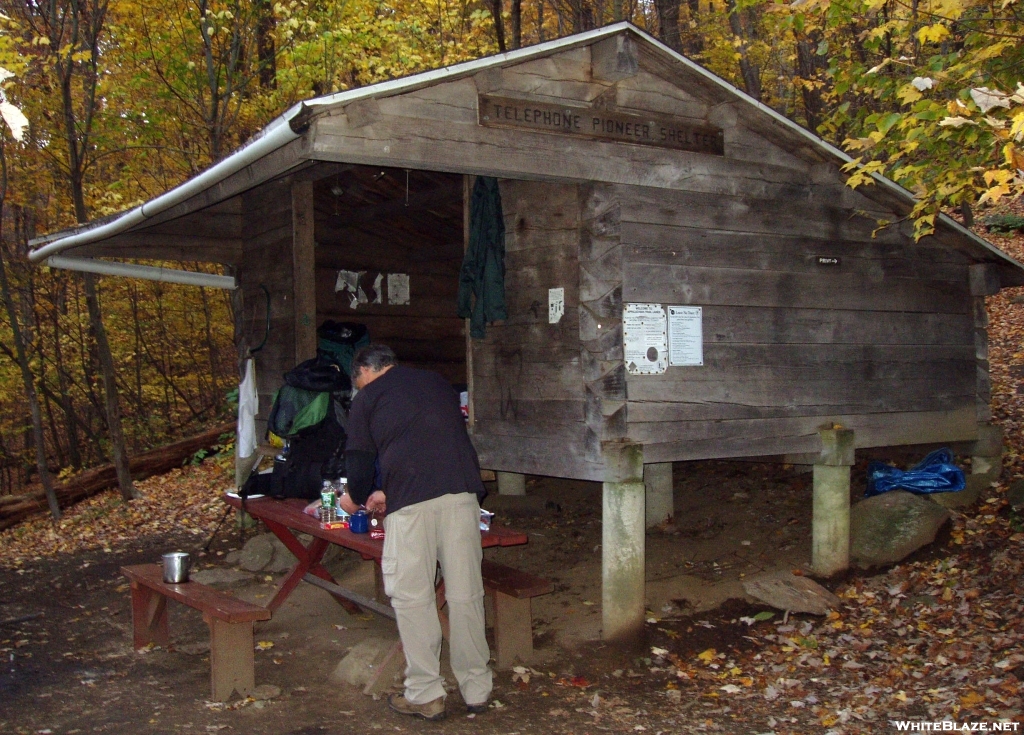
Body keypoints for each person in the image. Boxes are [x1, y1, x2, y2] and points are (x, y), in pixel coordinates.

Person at [339, 343, 491, 721]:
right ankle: (477, 688)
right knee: (465, 593)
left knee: (412, 596)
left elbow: (358, 465)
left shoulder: (366, 398)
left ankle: (425, 693)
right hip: (461, 493)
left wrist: (352, 497)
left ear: (364, 373)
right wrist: (387, 489)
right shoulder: (436, 383)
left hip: (412, 506)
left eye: (358, 383)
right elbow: (426, 441)